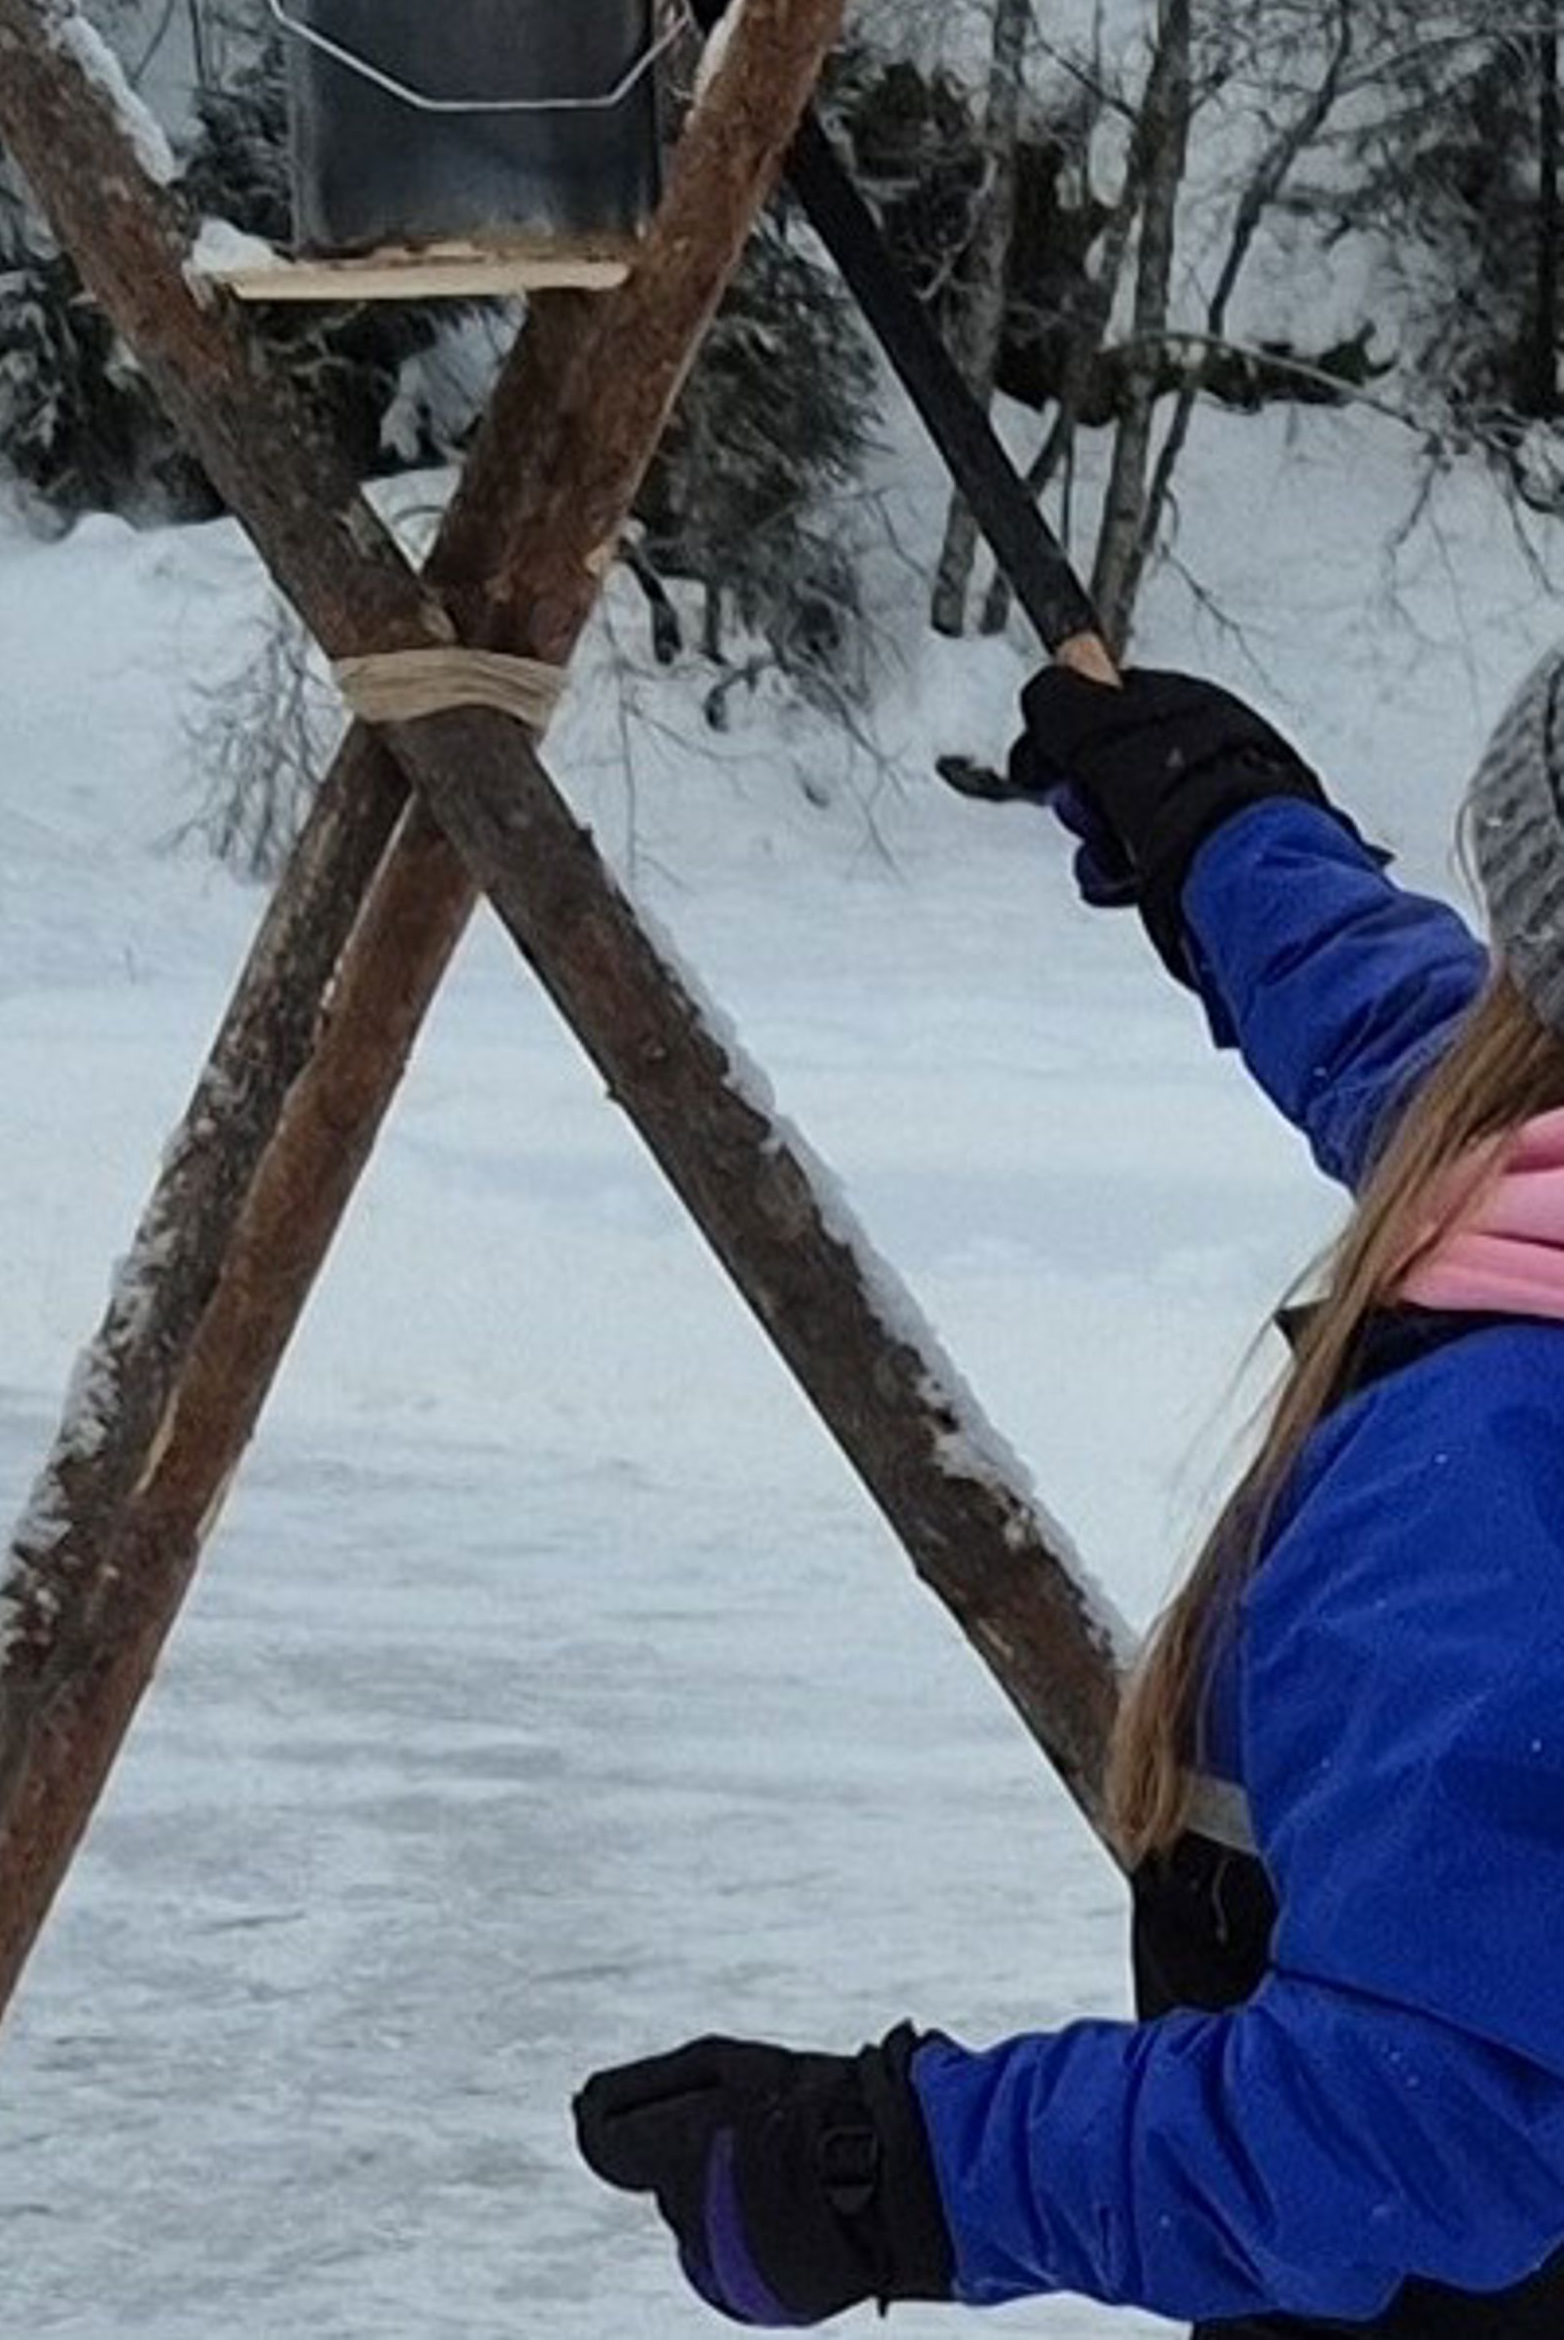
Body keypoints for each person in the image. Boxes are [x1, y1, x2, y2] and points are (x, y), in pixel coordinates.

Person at [572, 653, 1564, 2334]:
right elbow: (1421, 1046)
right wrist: (1227, 831)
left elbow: (1425, 2112)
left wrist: (899, 2172)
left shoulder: (1495, 1484)